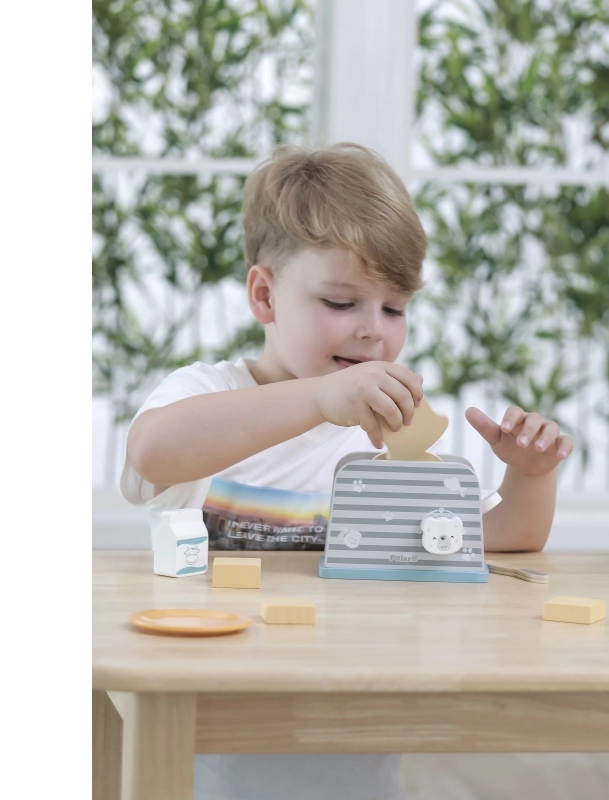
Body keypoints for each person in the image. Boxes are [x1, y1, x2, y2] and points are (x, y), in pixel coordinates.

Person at [120, 142, 573, 800]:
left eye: (394, 309)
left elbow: (499, 540)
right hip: (204, 759)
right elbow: (153, 452)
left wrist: (530, 476)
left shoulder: (393, 432)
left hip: (353, 750)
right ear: (265, 295)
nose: (372, 332)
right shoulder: (208, 393)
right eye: (341, 303)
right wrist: (317, 400)